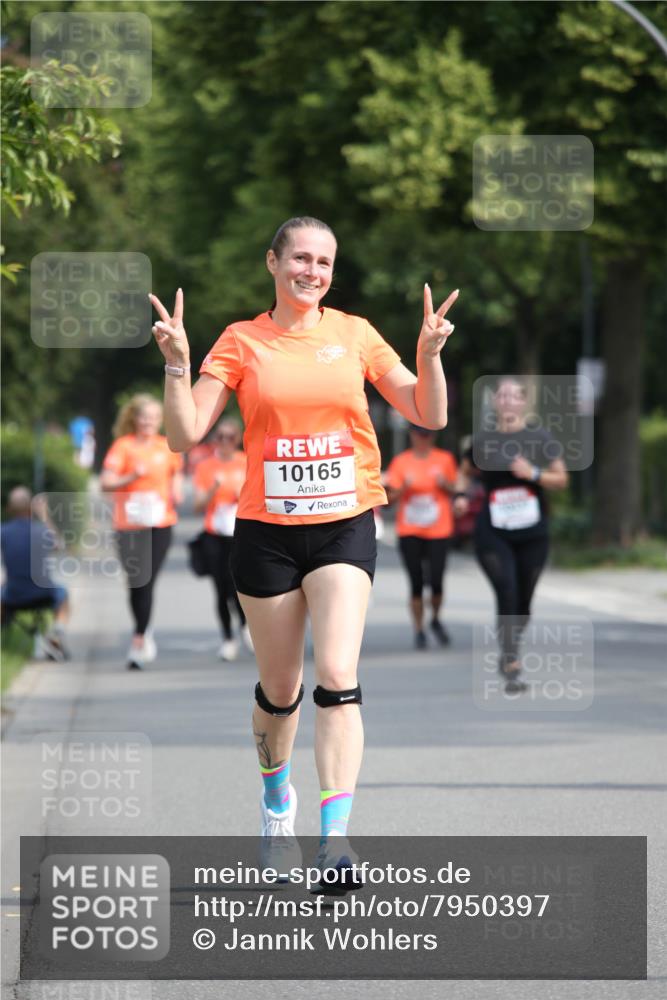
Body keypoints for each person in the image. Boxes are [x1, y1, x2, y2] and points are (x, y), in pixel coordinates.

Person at [149, 215, 458, 889]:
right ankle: (274, 804)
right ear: (273, 262)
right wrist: (176, 361)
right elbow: (183, 432)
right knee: (280, 690)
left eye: (323, 262)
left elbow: (426, 413)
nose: (311, 271)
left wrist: (429, 354)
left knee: (337, 677)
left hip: (345, 523)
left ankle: (335, 840)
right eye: (300, 259)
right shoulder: (240, 341)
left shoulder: (355, 334)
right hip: (265, 532)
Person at [454, 377, 568, 693]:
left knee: (523, 601)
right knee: (507, 590)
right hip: (493, 530)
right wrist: (460, 498)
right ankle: (510, 658)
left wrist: (532, 473)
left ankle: (511, 644)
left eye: (512, 395)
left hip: (533, 531)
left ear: (522, 402)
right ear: (495, 403)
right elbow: (464, 473)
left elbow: (561, 478)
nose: (506, 400)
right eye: (500, 395)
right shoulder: (484, 440)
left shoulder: (539, 437)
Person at [100, 395, 184, 670]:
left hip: (160, 522)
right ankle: (144, 630)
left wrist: (177, 489)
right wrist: (130, 477)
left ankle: (138, 639)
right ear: (134, 419)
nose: (148, 422)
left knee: (146, 580)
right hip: (128, 524)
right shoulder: (123, 447)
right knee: (136, 581)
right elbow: (106, 483)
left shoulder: (167, 447)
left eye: (153, 417)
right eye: (144, 417)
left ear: (161, 420)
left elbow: (177, 472)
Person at [385, 426, 458, 649]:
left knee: (436, 581)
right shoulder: (401, 462)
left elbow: (456, 489)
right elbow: (389, 498)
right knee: (416, 582)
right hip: (410, 531)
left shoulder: (444, 459)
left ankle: (435, 617)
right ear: (412, 435)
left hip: (438, 530)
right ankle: (419, 629)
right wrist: (403, 488)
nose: (423, 439)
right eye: (419, 434)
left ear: (433, 437)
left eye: (427, 435)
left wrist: (444, 484)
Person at [193, 417, 252, 660]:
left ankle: (246, 626)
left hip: (241, 533)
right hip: (215, 534)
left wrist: (243, 496)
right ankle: (228, 639)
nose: (225, 442)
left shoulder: (246, 462)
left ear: (237, 440)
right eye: (220, 437)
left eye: (230, 437)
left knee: (241, 587)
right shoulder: (206, 466)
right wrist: (213, 490)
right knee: (220, 589)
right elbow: (197, 505)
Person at [1, 486, 70, 660]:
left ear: (9, 509)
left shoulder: (4, 532)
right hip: (44, 593)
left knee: (2, 594)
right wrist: (45, 515)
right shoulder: (42, 530)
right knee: (63, 594)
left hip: (13, 595)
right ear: (31, 508)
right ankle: (57, 633)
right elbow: (59, 545)